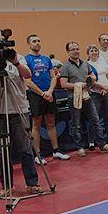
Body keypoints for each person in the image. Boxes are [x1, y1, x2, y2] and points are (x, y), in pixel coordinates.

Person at [0, 32, 42, 194]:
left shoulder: (17, 56)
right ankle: (6, 186)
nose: (0, 42)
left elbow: (27, 75)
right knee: (2, 151)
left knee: (25, 148)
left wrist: (15, 61)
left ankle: (32, 183)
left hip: (18, 108)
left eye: (2, 39)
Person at [60, 41, 108, 155]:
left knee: (96, 121)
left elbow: (92, 76)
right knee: (76, 124)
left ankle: (102, 144)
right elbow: (63, 84)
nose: (76, 51)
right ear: (68, 52)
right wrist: (79, 85)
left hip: (87, 97)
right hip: (74, 98)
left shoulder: (85, 64)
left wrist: (92, 79)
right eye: (73, 49)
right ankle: (80, 148)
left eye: (77, 49)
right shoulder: (65, 66)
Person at [23, 34, 67, 162]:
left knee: (51, 122)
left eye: (38, 41)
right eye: (34, 41)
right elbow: (27, 81)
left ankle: (56, 151)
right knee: (36, 124)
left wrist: (50, 91)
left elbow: (53, 77)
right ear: (29, 44)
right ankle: (38, 155)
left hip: (49, 93)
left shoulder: (46, 59)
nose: (37, 43)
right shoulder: (26, 60)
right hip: (35, 95)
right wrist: (42, 94)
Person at [87, 44, 108, 143]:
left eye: (95, 50)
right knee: (94, 118)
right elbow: (90, 81)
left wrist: (107, 87)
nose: (94, 52)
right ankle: (91, 141)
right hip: (95, 94)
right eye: (92, 51)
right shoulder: (87, 65)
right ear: (88, 53)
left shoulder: (103, 62)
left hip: (107, 93)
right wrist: (102, 87)